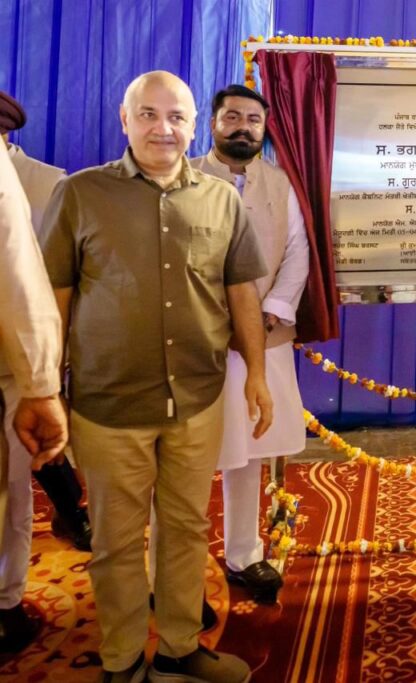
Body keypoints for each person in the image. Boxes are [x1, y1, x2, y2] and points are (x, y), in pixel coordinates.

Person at [40, 70, 271, 683]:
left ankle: (178, 650)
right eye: (148, 114)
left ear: (194, 127)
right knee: (116, 541)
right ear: (125, 120)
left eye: (176, 117)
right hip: (108, 403)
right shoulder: (79, 194)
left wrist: (257, 374)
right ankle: (120, 663)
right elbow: (54, 297)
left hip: (197, 398)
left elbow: (241, 291)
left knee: (186, 528)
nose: (162, 128)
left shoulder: (222, 200)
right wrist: (45, 388)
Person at [190, 84, 309, 602]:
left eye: (253, 120)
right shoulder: (185, 176)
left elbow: (297, 251)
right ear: (213, 123)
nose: (243, 127)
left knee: (250, 450)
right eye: (233, 117)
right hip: (199, 341)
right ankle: (178, 568)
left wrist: (272, 310)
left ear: (264, 128)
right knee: (190, 455)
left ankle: (244, 554)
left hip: (264, 333)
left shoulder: (279, 182)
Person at [1, 91, 92, 558]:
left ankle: (70, 514)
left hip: (19, 355)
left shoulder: (48, 183)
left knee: (17, 480)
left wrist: (48, 367)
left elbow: (49, 273)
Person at [0, 135, 67, 655]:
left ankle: (7, 598)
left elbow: (32, 275)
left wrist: (42, 378)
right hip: (18, 364)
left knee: (14, 488)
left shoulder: (49, 182)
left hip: (10, 366)